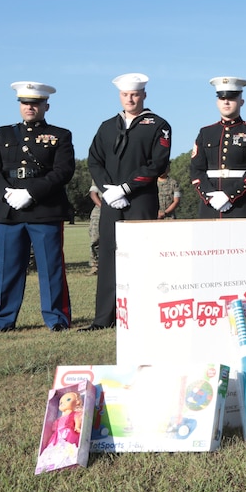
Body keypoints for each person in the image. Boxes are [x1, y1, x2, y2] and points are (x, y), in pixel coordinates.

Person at [0, 81, 75, 334]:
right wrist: (5, 193)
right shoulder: (3, 134)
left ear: (46, 105)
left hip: (45, 210)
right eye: (25, 103)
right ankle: (2, 321)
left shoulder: (60, 135)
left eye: (35, 103)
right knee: (8, 270)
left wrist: (31, 192)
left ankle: (57, 319)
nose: (30, 107)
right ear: (20, 105)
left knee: (50, 268)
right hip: (10, 210)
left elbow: (64, 171)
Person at [83, 72, 172, 331]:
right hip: (111, 200)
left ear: (143, 95)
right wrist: (108, 190)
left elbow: (157, 163)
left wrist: (126, 188)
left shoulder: (159, 124)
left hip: (141, 199)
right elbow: (93, 160)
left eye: (134, 94)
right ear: (119, 96)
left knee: (141, 258)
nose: (130, 99)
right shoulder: (107, 126)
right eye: (125, 95)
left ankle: (142, 314)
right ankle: (103, 319)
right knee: (109, 257)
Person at [190, 77, 246, 219]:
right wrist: (210, 196)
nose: (226, 101)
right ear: (217, 102)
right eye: (222, 98)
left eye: (232, 97)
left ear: (241, 101)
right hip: (210, 205)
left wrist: (229, 196)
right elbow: (196, 170)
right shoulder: (205, 133)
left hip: (243, 204)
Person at [87, 183, 101, 274]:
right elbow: (93, 193)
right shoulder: (99, 171)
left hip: (122, 203)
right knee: (95, 238)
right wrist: (102, 206)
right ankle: (95, 265)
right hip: (101, 206)